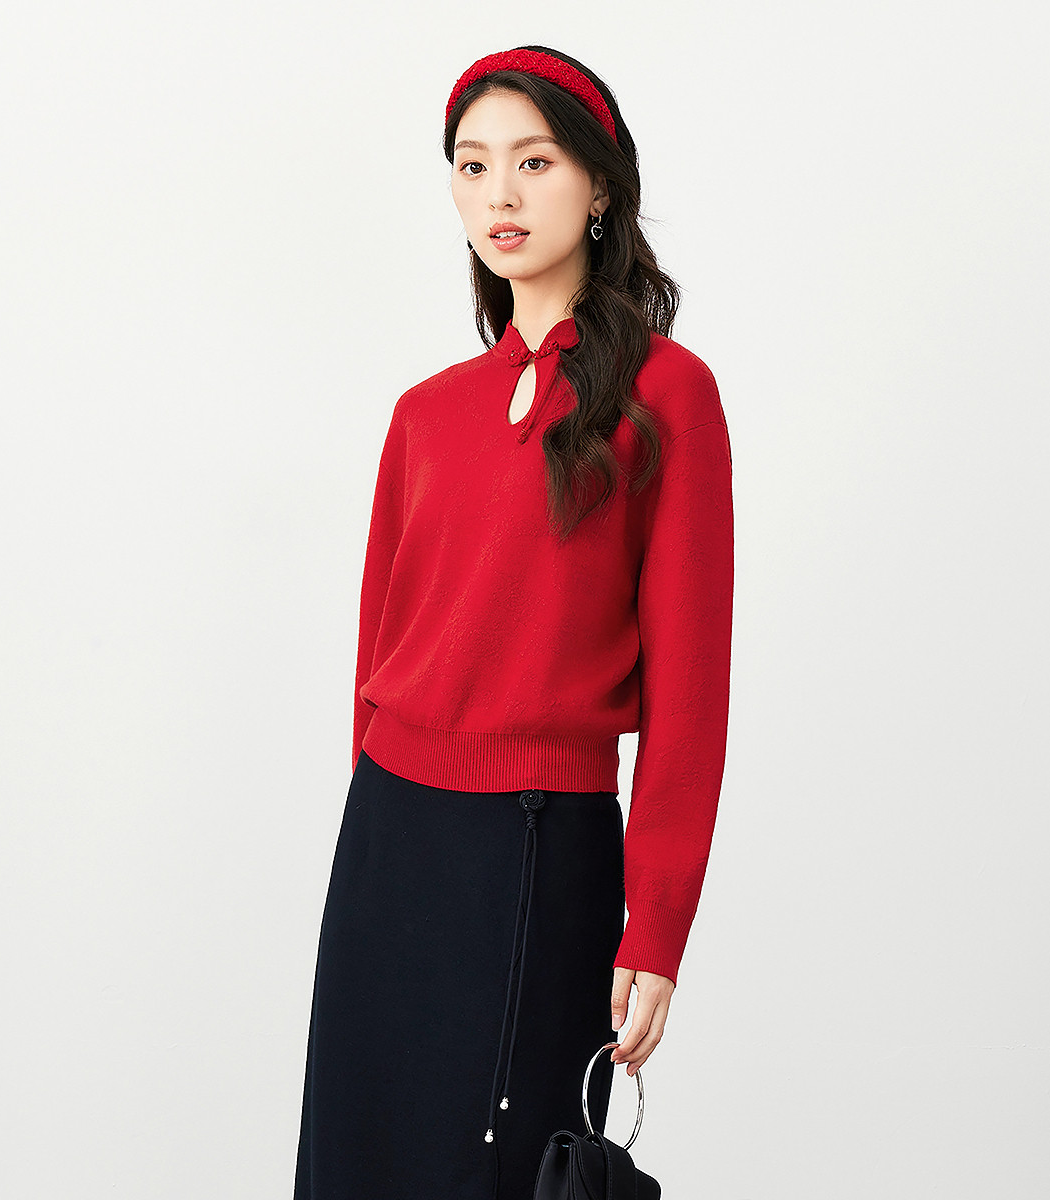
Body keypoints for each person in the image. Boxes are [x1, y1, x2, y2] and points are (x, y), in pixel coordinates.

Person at [293, 44, 735, 1200]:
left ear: (599, 187)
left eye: (534, 162)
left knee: (505, 1172)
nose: (500, 192)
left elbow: (692, 691)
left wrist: (657, 923)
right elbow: (377, 656)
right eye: (473, 164)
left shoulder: (668, 395)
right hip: (391, 840)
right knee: (359, 1159)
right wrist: (377, 829)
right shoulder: (425, 416)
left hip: (540, 849)